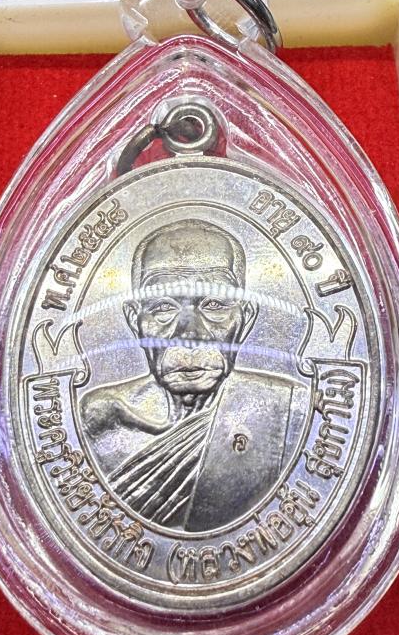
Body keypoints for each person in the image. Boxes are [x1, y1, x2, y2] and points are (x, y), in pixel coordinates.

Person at [81, 218, 308, 531]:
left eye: (214, 304)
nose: (189, 332)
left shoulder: (287, 412)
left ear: (245, 318)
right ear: (135, 320)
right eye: (163, 306)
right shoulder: (100, 420)